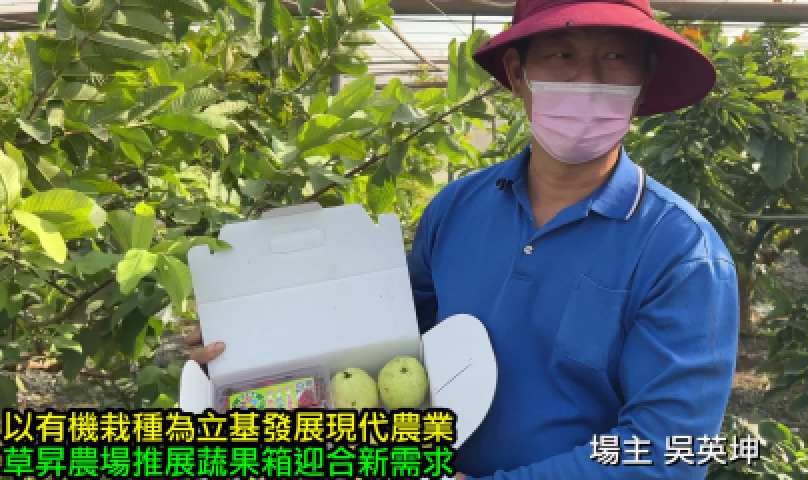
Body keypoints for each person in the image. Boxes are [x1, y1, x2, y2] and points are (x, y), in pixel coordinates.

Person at [188, 0, 740, 478]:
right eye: (562, 55)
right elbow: (388, 339)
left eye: (615, 57)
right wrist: (258, 345)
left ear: (643, 83)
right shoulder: (458, 208)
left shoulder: (680, 253)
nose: (587, 80)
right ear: (518, 74)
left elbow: (667, 451)